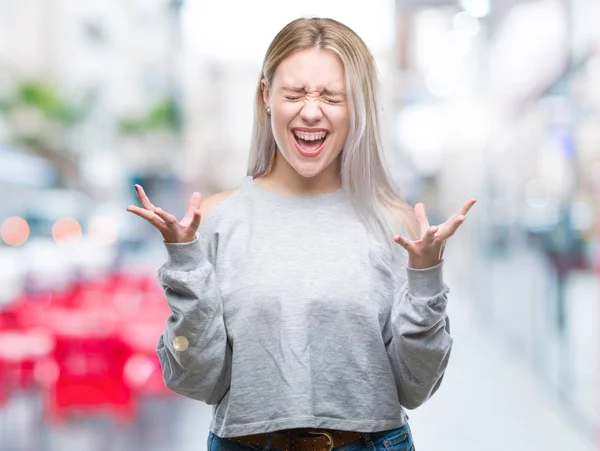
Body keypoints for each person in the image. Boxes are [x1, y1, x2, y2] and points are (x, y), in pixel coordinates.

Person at [127, 16, 476, 451]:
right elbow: (197, 380)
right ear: (266, 95)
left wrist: (426, 280)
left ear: (358, 106)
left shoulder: (397, 225)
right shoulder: (216, 220)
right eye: (295, 93)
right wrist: (185, 266)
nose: (311, 111)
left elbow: (416, 387)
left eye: (333, 96)